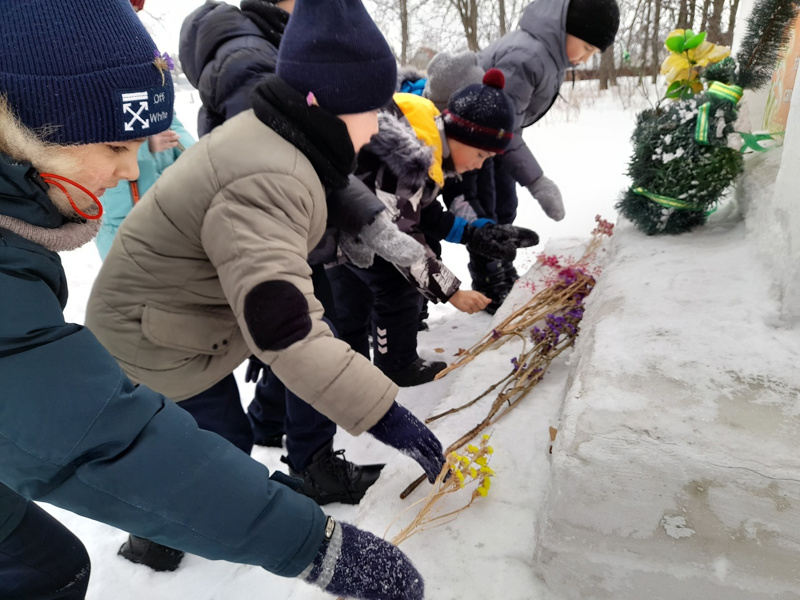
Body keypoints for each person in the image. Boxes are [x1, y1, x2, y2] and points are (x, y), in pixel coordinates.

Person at [0, 1, 431, 598]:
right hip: (154, 336)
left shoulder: (280, 137)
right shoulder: (265, 170)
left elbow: (328, 190)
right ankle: (150, 540)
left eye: (139, 147)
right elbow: (99, 439)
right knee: (208, 452)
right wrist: (320, 543)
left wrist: (378, 233)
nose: (129, 171)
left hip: (183, 325)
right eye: (114, 147)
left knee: (71, 548)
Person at [178, 0, 424, 511]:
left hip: (277, 232)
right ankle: (312, 465)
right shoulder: (250, 55)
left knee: (293, 333)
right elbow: (287, 159)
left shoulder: (270, 44)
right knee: (310, 334)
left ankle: (272, 425)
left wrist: (370, 223)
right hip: (267, 237)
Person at [330, 70, 539, 386]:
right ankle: (396, 365)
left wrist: (472, 235)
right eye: (480, 154)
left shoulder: (426, 138)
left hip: (349, 228)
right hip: (344, 233)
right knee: (395, 287)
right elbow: (401, 238)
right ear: (461, 135)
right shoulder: (411, 158)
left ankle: (354, 373)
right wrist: (452, 291)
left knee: (355, 300)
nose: (479, 165)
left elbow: (423, 213)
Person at [425, 0, 620, 311]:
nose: (585, 58)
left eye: (593, 54)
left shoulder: (551, 56)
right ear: (565, 28)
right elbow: (505, 125)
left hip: (495, 142)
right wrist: (537, 181)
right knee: (482, 204)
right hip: (468, 140)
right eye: (585, 46)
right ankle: (490, 277)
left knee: (505, 203)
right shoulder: (527, 56)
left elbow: (513, 126)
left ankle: (502, 266)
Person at [95, 120, 194, 259]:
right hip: (122, 212)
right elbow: (93, 144)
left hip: (168, 205)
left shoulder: (156, 97)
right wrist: (144, 147)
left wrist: (197, 154)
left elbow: (173, 125)